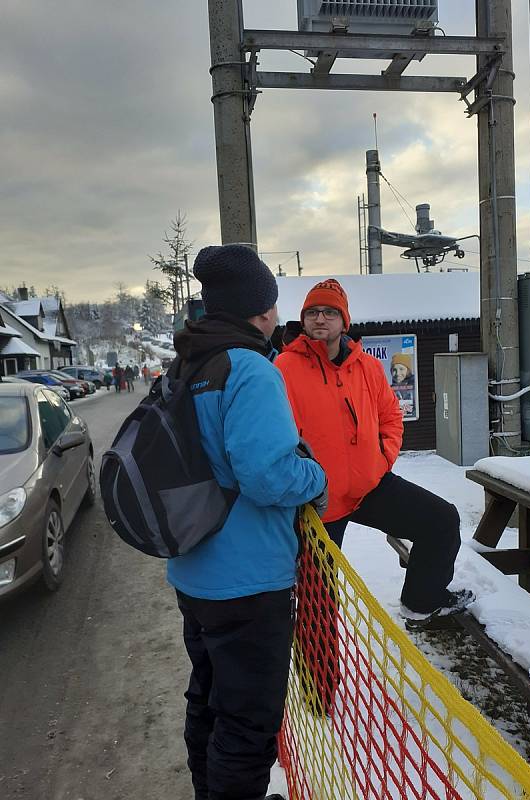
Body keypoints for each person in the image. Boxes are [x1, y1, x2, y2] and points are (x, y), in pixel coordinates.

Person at [167, 244, 327, 800]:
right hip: (249, 579)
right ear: (260, 310)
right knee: (248, 724)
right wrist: (318, 478)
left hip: (194, 571)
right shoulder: (249, 368)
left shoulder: (187, 362)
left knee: (209, 700)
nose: (276, 317)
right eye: (272, 305)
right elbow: (267, 477)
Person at [276, 278, 474, 624]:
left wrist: (381, 461)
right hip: (317, 501)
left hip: (369, 486)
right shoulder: (284, 369)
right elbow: (276, 437)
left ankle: (422, 602)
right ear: (303, 320)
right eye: (312, 313)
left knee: (441, 521)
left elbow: (390, 417)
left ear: (344, 321)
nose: (320, 319)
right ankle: (320, 679)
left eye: (329, 313)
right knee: (317, 602)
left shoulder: (366, 366)